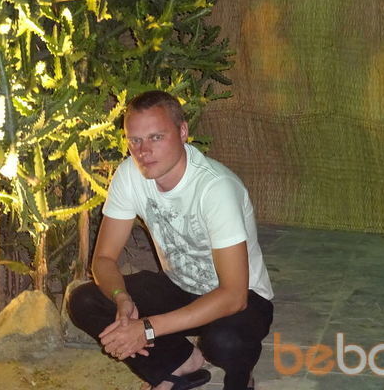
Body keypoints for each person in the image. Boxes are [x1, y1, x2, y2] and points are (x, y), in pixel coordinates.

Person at [67, 90, 274, 390]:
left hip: (241, 297)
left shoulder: (215, 188)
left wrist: (147, 328)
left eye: (156, 137)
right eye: (135, 140)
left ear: (183, 132)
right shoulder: (129, 175)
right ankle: (179, 362)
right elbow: (103, 259)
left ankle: (241, 379)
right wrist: (122, 299)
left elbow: (234, 295)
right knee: (84, 300)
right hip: (179, 286)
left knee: (224, 342)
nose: (143, 151)